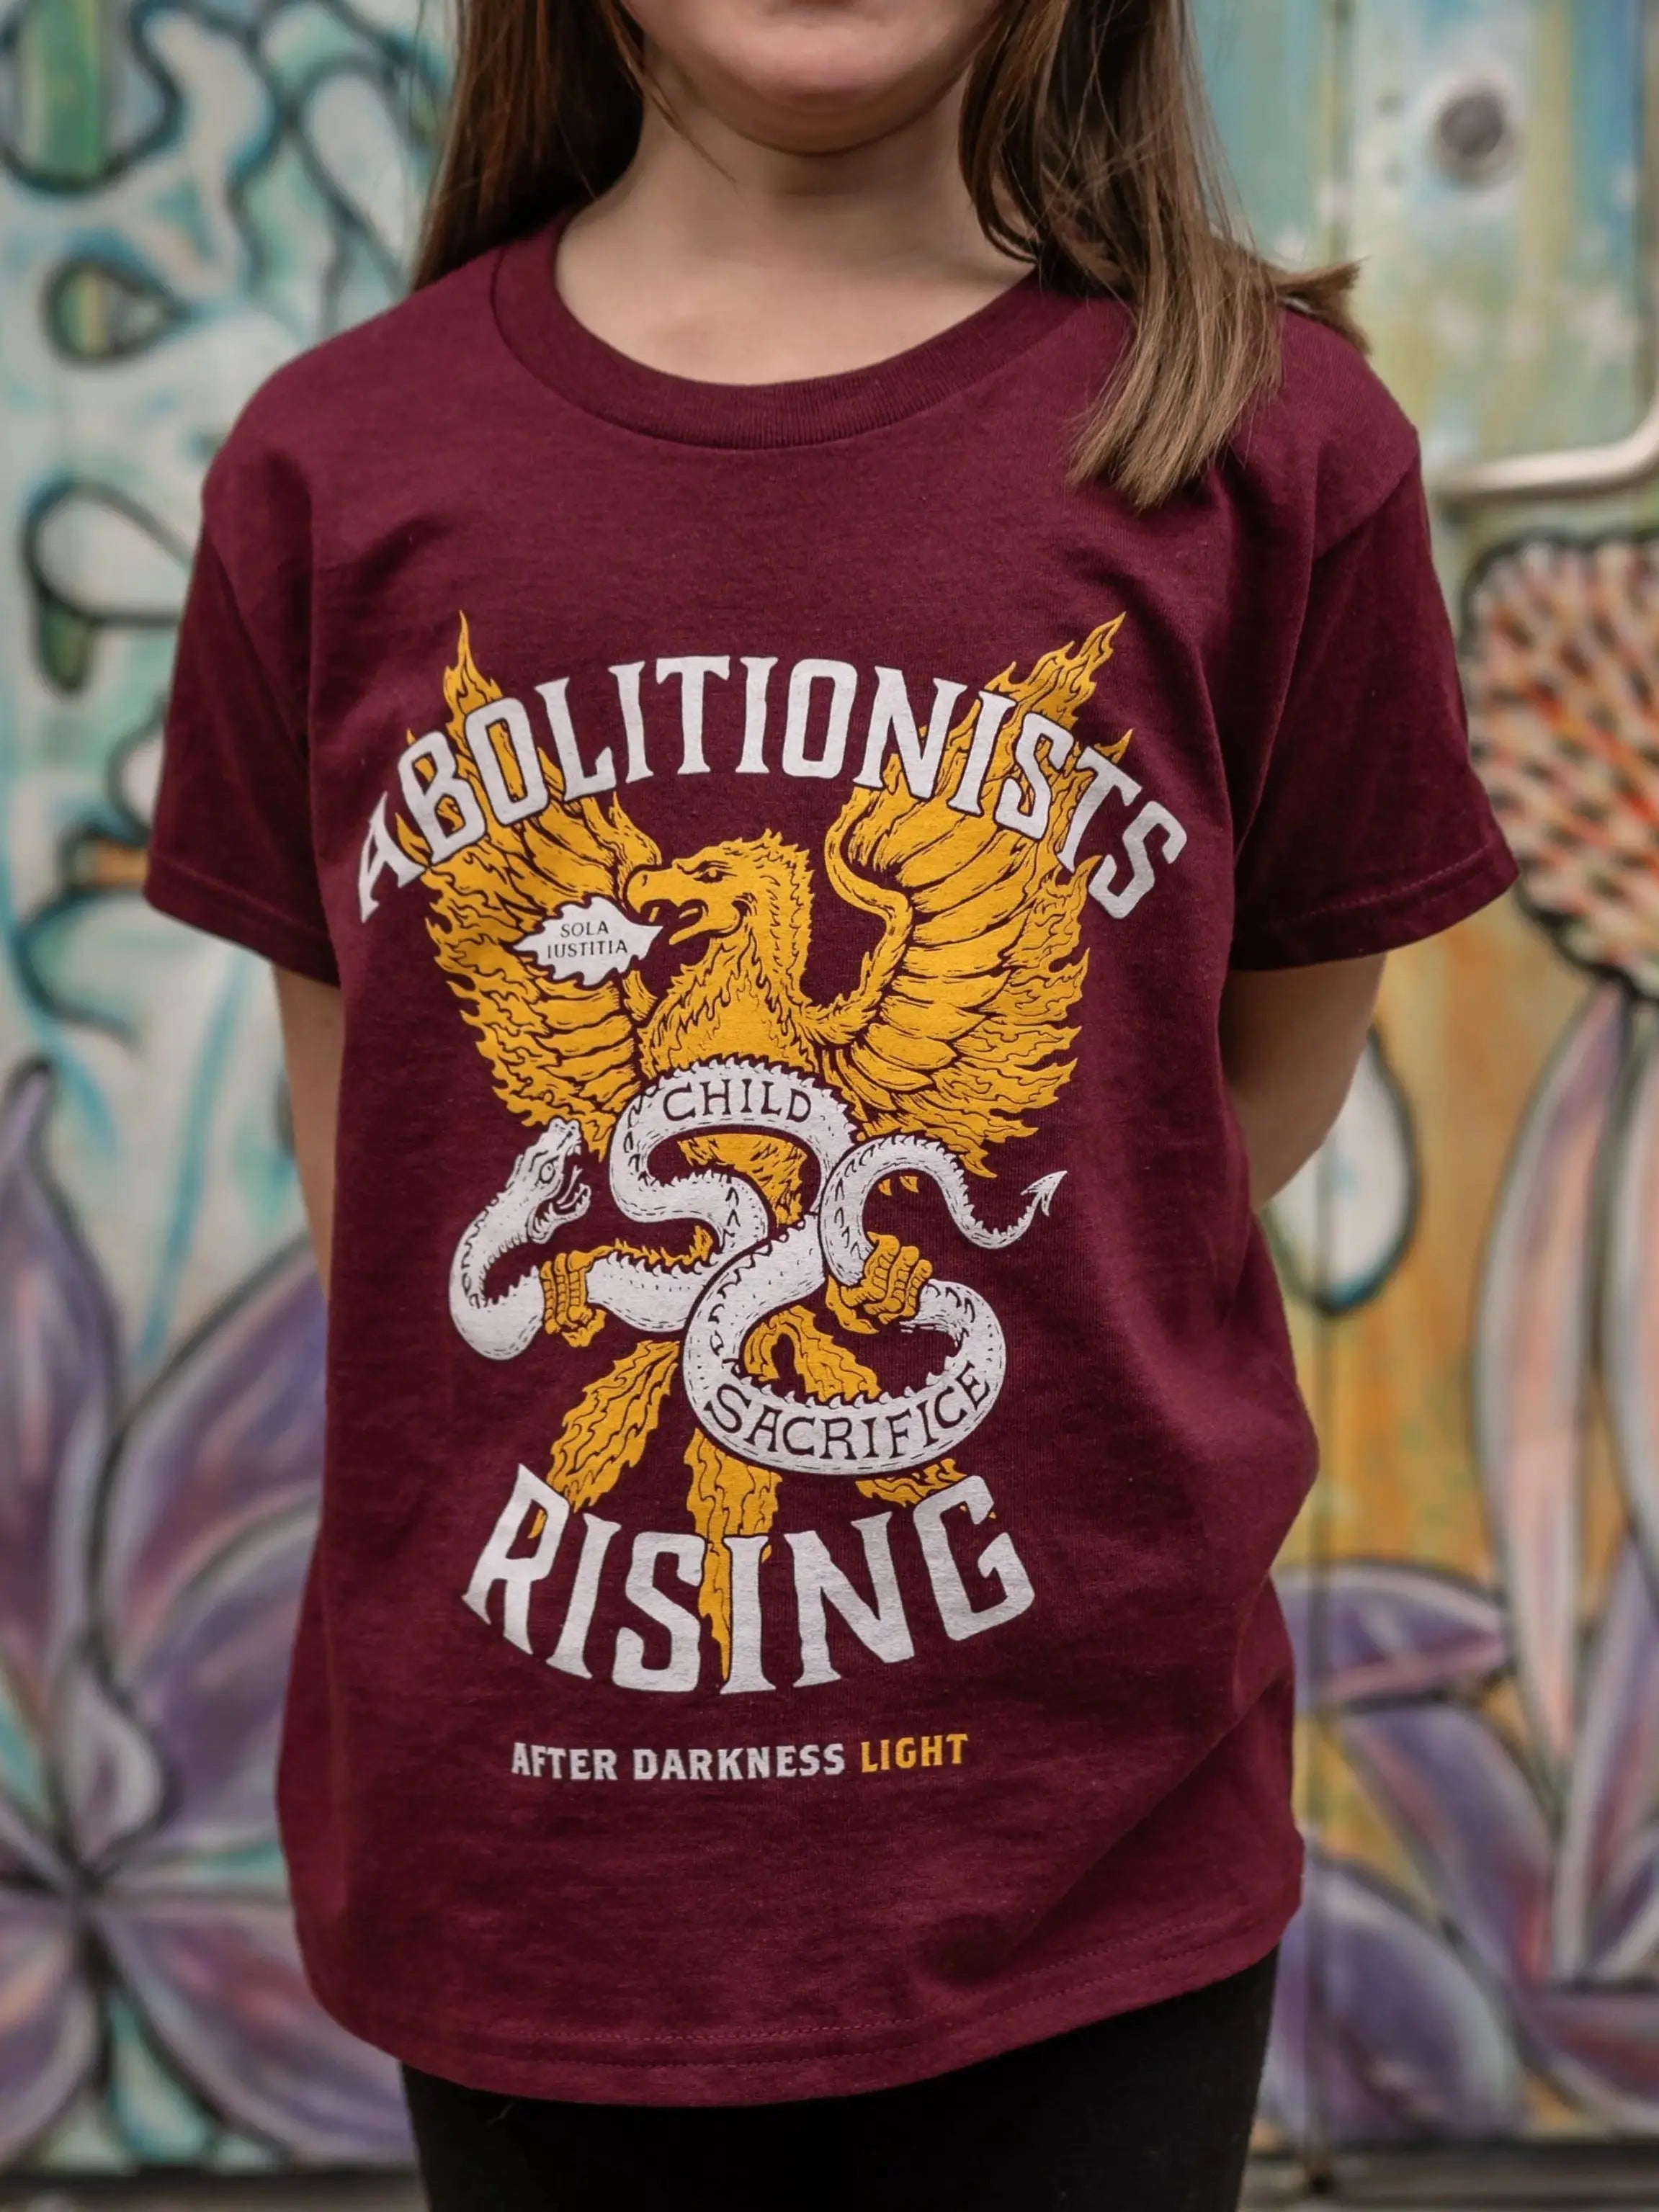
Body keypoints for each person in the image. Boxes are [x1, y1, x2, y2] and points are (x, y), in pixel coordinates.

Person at [141, 1, 1518, 2204]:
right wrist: (684, 1261)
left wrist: (844, 1237)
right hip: (535, 1859)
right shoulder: (338, 468)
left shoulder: (1274, 454)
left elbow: (1219, 1105)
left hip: (1082, 1864)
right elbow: (380, 1175)